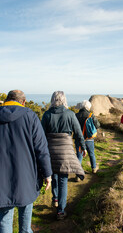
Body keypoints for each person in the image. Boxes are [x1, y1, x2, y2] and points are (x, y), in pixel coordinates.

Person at [0, 90, 52, 233]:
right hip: (27, 178)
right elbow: (41, 149)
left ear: (6, 100)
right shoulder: (30, 116)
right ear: (23, 102)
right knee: (25, 225)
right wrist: (47, 174)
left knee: (4, 220)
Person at [41, 91, 87, 220]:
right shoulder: (70, 114)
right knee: (63, 180)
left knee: (54, 175)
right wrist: (83, 147)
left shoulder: (46, 115)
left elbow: (41, 135)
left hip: (50, 150)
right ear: (64, 100)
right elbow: (78, 133)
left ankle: (55, 198)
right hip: (65, 150)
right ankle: (61, 211)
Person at [75, 100, 100, 177]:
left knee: (79, 156)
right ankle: (94, 168)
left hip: (78, 139)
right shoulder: (91, 115)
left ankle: (78, 174)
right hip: (89, 138)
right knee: (91, 153)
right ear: (88, 107)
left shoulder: (75, 115)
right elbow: (98, 125)